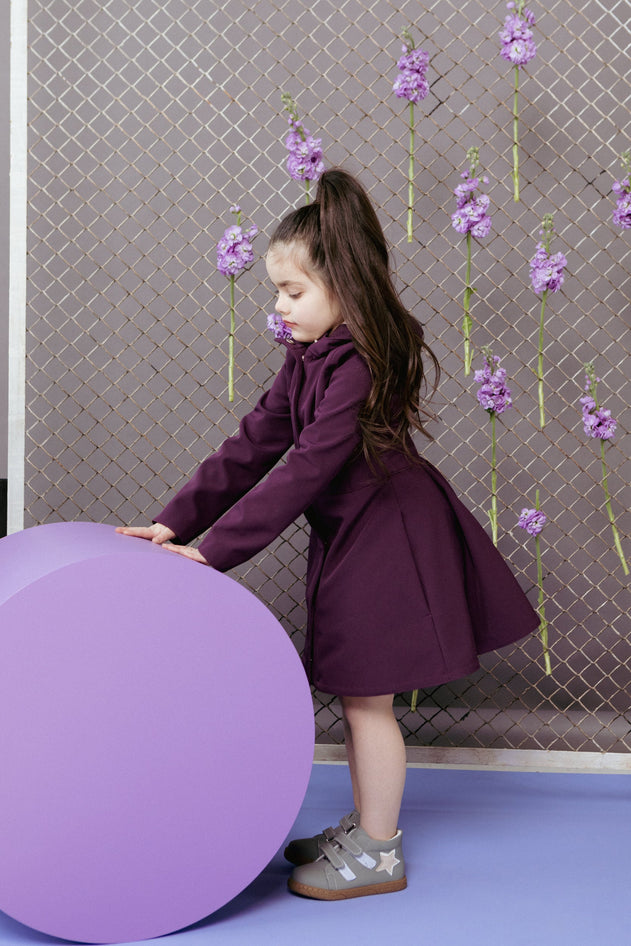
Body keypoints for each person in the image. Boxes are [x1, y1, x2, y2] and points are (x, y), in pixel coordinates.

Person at [117, 167, 539, 901]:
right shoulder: (308, 356)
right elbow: (256, 441)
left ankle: (379, 850)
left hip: (391, 539)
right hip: (353, 536)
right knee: (356, 694)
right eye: (276, 293)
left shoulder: (362, 363)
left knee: (367, 697)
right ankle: (369, 826)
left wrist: (214, 551)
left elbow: (306, 468)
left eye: (292, 292)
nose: (279, 308)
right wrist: (173, 522)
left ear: (342, 286)